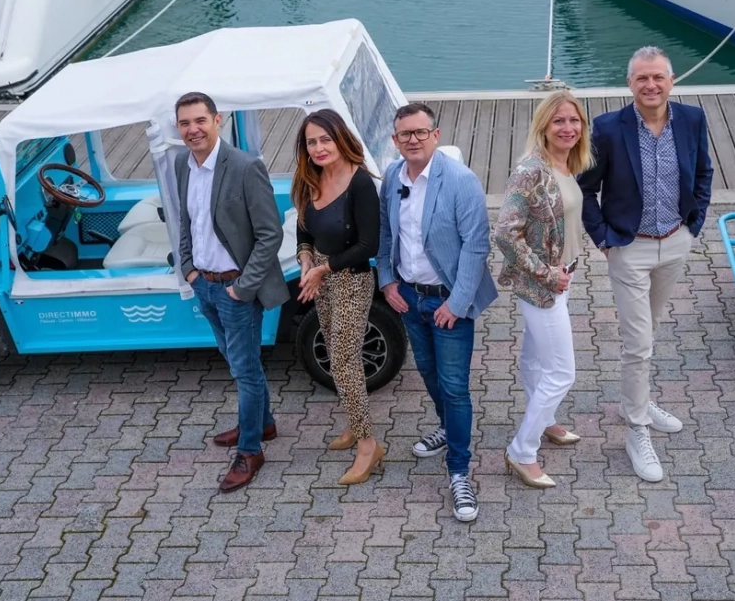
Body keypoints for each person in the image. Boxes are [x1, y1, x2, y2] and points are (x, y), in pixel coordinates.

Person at [578, 46, 713, 483]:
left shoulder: (692, 120)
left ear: (671, 81)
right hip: (629, 249)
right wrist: (602, 238)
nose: (651, 85)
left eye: (658, 77)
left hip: (675, 242)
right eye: (642, 79)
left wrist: (694, 224)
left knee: (649, 332)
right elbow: (585, 188)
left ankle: (636, 400)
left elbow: (704, 172)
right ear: (630, 84)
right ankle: (636, 430)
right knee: (639, 344)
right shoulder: (607, 129)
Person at [376, 102, 498, 522]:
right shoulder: (392, 176)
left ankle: (460, 472)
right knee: (427, 371)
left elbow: (477, 246)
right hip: (409, 297)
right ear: (395, 140)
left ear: (436, 134)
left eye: (420, 133)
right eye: (404, 134)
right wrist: (387, 281)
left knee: (455, 387)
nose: (412, 140)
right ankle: (447, 428)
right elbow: (385, 232)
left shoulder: (461, 181)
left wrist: (456, 303)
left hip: (448, 301)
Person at [174, 92, 289, 493]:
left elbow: (269, 234)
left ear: (217, 120)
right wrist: (188, 269)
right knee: (235, 360)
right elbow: (188, 221)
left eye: (200, 120)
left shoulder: (244, 166)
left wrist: (243, 288)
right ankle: (263, 422)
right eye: (185, 123)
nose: (193, 129)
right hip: (204, 284)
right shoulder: (180, 164)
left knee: (244, 369)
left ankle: (251, 448)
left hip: (236, 288)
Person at [492, 90, 593, 489]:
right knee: (562, 372)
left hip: (561, 277)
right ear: (543, 127)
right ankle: (522, 451)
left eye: (574, 120)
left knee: (535, 360)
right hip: (542, 286)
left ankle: (545, 419)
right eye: (559, 121)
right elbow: (504, 232)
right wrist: (547, 274)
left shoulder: (566, 164)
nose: (568, 128)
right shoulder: (530, 171)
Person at [290, 109, 384, 485]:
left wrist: (324, 269)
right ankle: (353, 424)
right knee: (333, 354)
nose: (318, 148)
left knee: (345, 361)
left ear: (340, 137)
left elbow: (369, 244)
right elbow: (303, 229)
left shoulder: (360, 183)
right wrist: (305, 258)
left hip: (350, 279)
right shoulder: (309, 177)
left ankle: (368, 444)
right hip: (320, 275)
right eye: (311, 142)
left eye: (325, 139)